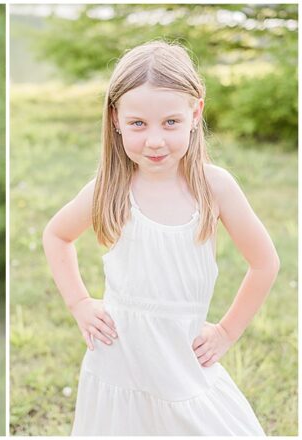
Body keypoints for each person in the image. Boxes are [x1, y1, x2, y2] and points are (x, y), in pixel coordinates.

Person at [42, 41, 278, 435]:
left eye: (170, 122)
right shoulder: (110, 187)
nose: (155, 140)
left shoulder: (214, 187)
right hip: (120, 362)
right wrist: (79, 302)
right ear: (116, 118)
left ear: (195, 112)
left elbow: (265, 262)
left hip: (181, 360)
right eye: (138, 124)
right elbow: (56, 234)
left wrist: (226, 332)